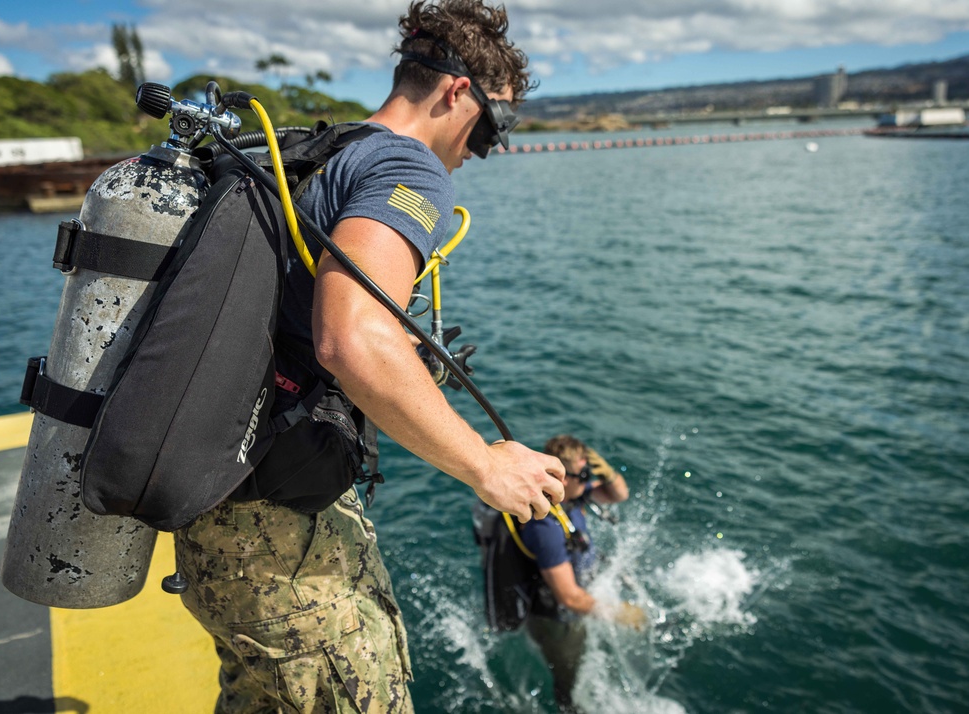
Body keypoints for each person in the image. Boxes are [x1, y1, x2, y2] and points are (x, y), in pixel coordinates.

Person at [173, 2, 566, 712]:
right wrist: (485, 464)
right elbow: (350, 338)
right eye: (495, 125)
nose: (487, 148)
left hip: (217, 509)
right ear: (457, 92)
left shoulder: (323, 152)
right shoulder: (404, 164)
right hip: (280, 541)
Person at [520, 435, 644, 713]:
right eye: (584, 473)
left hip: (580, 598)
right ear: (563, 479)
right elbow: (569, 598)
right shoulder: (545, 527)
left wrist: (608, 474)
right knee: (569, 687)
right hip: (556, 620)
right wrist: (620, 613)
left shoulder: (574, 494)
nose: (589, 479)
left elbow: (619, 495)